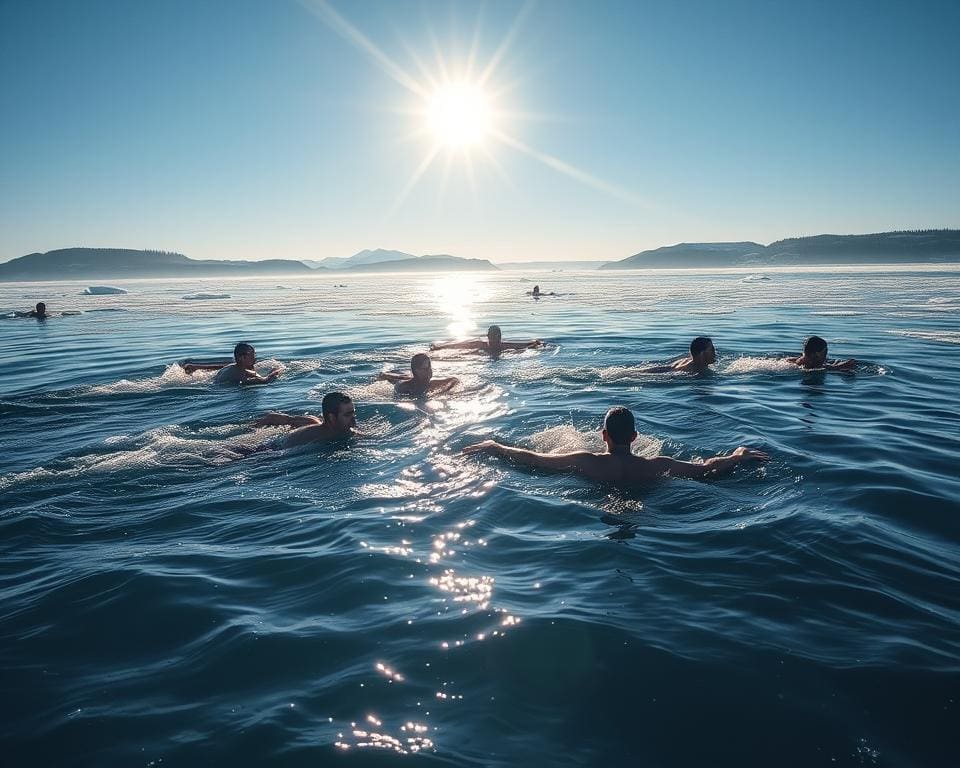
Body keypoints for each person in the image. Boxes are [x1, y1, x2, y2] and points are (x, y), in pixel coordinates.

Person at [463, 406, 768, 485]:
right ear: (635, 438)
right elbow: (706, 469)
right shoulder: (657, 465)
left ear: (603, 435)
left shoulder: (586, 461)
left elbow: (534, 459)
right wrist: (737, 455)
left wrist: (497, 447)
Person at [254, 391, 357, 448]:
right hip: (272, 448)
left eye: (353, 413)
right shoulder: (315, 437)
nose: (353, 419)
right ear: (332, 417)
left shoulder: (315, 422)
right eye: (347, 415)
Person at [182, 343, 282, 384]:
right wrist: (277, 370)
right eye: (252, 355)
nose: (254, 357)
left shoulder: (231, 367)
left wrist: (197, 367)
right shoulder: (241, 373)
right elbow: (265, 381)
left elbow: (222, 366)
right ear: (242, 357)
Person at [430, 325, 544, 357]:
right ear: (488, 336)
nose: (495, 338)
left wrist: (534, 343)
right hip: (482, 355)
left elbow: (523, 345)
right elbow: (458, 345)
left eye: (497, 336)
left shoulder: (504, 346)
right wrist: (440, 347)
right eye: (494, 336)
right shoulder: (480, 344)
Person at [378, 352, 459, 396]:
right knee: (398, 376)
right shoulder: (404, 386)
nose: (429, 371)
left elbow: (454, 380)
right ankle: (385, 373)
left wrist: (443, 392)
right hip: (405, 377)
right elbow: (398, 389)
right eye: (425, 368)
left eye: (429, 367)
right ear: (416, 370)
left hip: (411, 377)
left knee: (407, 376)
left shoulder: (431, 384)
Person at [635, 336, 717, 374]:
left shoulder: (688, 360)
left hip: (659, 369)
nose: (715, 352)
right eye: (711, 350)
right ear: (701, 354)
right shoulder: (694, 370)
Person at [783, 336, 856, 371]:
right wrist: (837, 366)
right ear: (817, 353)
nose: (826, 353)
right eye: (825, 351)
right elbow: (827, 368)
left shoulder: (796, 360)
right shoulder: (816, 365)